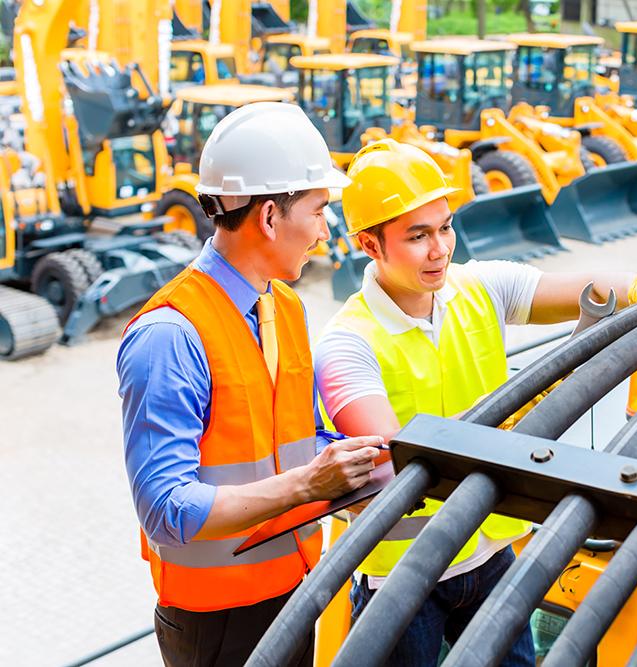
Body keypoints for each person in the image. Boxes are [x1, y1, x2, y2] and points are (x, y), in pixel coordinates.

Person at [312, 138, 637, 666]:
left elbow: (581, 289)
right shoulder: (346, 343)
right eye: (417, 235)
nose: (440, 249)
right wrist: (512, 417)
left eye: (444, 227)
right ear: (369, 245)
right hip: (403, 576)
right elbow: (397, 458)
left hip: (491, 554)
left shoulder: (477, 287)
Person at [117, 103, 382, 667]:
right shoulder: (170, 335)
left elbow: (300, 437)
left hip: (291, 590)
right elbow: (165, 509)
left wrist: (369, 460)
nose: (325, 228)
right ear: (268, 217)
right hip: (216, 622)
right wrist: (308, 487)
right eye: (319, 210)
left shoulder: (284, 307)